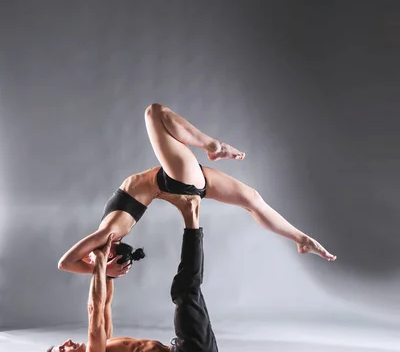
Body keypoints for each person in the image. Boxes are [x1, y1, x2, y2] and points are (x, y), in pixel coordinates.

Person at [57, 103, 336, 280]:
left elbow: (76, 260)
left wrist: (101, 268)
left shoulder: (111, 233)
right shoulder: (110, 235)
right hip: (175, 180)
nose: (88, 256)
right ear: (109, 253)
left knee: (252, 199)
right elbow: (66, 263)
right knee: (154, 113)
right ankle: (214, 146)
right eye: (94, 257)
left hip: (176, 179)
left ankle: (302, 239)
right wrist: (101, 269)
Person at [42, 195, 218, 352]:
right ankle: (191, 214)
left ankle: (192, 216)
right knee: (184, 289)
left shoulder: (103, 346)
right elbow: (94, 308)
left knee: (188, 289)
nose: (67, 342)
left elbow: (105, 304)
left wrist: (109, 273)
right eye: (62, 350)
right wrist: (100, 260)